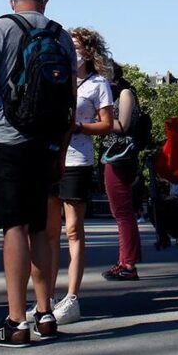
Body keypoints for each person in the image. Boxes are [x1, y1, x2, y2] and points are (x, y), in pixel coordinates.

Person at [0, 0, 77, 348]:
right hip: (46, 143)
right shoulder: (62, 37)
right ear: (46, 1)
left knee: (13, 227)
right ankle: (45, 313)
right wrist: (61, 152)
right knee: (41, 230)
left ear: (13, 0)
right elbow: (69, 103)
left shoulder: (1, 27)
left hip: (7, 139)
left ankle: (15, 320)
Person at [45, 27, 114, 324]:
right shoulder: (54, 77)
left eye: (77, 47)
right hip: (49, 157)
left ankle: (72, 297)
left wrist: (79, 127)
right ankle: (45, 295)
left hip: (78, 159)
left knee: (73, 230)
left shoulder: (98, 83)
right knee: (48, 232)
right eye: (68, 46)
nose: (72, 51)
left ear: (89, 52)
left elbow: (108, 124)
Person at [102, 63, 143, 282]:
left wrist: (98, 122)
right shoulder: (118, 93)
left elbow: (123, 125)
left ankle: (128, 263)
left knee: (122, 212)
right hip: (115, 154)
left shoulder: (126, 93)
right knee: (121, 212)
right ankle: (125, 260)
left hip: (120, 156)